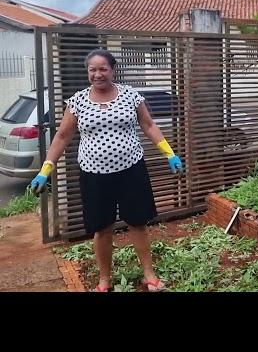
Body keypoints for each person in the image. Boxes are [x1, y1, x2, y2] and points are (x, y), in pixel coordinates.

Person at [30, 49, 183, 291]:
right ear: (87, 72)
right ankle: (104, 280)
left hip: (131, 170)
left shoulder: (131, 95)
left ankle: (149, 274)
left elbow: (149, 125)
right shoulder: (77, 101)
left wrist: (170, 154)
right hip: (94, 175)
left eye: (103, 69)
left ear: (112, 70)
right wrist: (45, 170)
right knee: (101, 228)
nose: (98, 74)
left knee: (138, 223)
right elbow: (62, 136)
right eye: (93, 69)